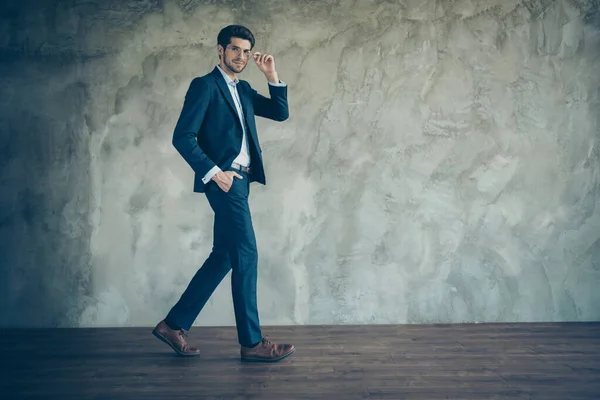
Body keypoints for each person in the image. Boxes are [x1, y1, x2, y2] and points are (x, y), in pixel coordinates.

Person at [152, 25, 295, 362]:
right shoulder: (204, 86)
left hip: (242, 183)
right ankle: (252, 342)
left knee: (225, 257)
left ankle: (173, 325)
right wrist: (216, 174)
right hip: (224, 182)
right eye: (235, 50)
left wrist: (272, 75)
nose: (241, 56)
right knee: (247, 254)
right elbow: (182, 136)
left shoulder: (243, 88)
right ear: (220, 50)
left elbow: (280, 112)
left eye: (246, 51)